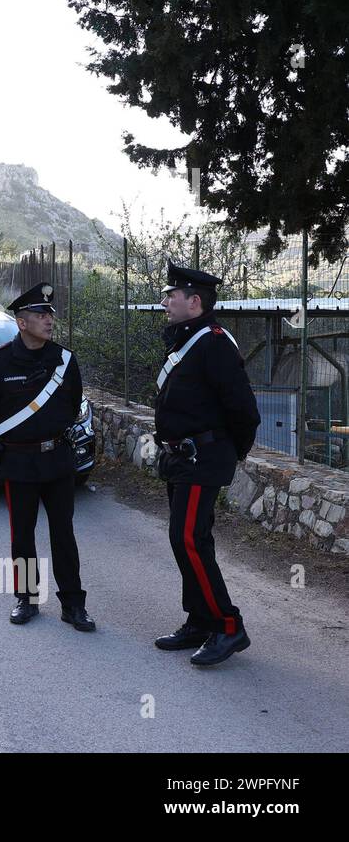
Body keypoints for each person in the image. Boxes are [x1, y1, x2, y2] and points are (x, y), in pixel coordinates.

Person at [152, 262, 261, 666]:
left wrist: (231, 452)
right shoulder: (185, 339)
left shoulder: (213, 342)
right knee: (188, 540)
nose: (165, 301)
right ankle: (199, 620)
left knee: (189, 539)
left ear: (194, 301)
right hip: (181, 458)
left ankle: (228, 626)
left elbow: (244, 410)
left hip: (204, 458)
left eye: (172, 295)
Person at [0, 282, 94, 631]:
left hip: (57, 460)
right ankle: (26, 599)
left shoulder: (64, 360)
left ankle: (73, 604)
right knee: (22, 535)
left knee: (64, 534)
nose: (49, 320)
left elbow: (72, 405)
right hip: (19, 463)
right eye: (40, 314)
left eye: (50, 314)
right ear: (21, 322)